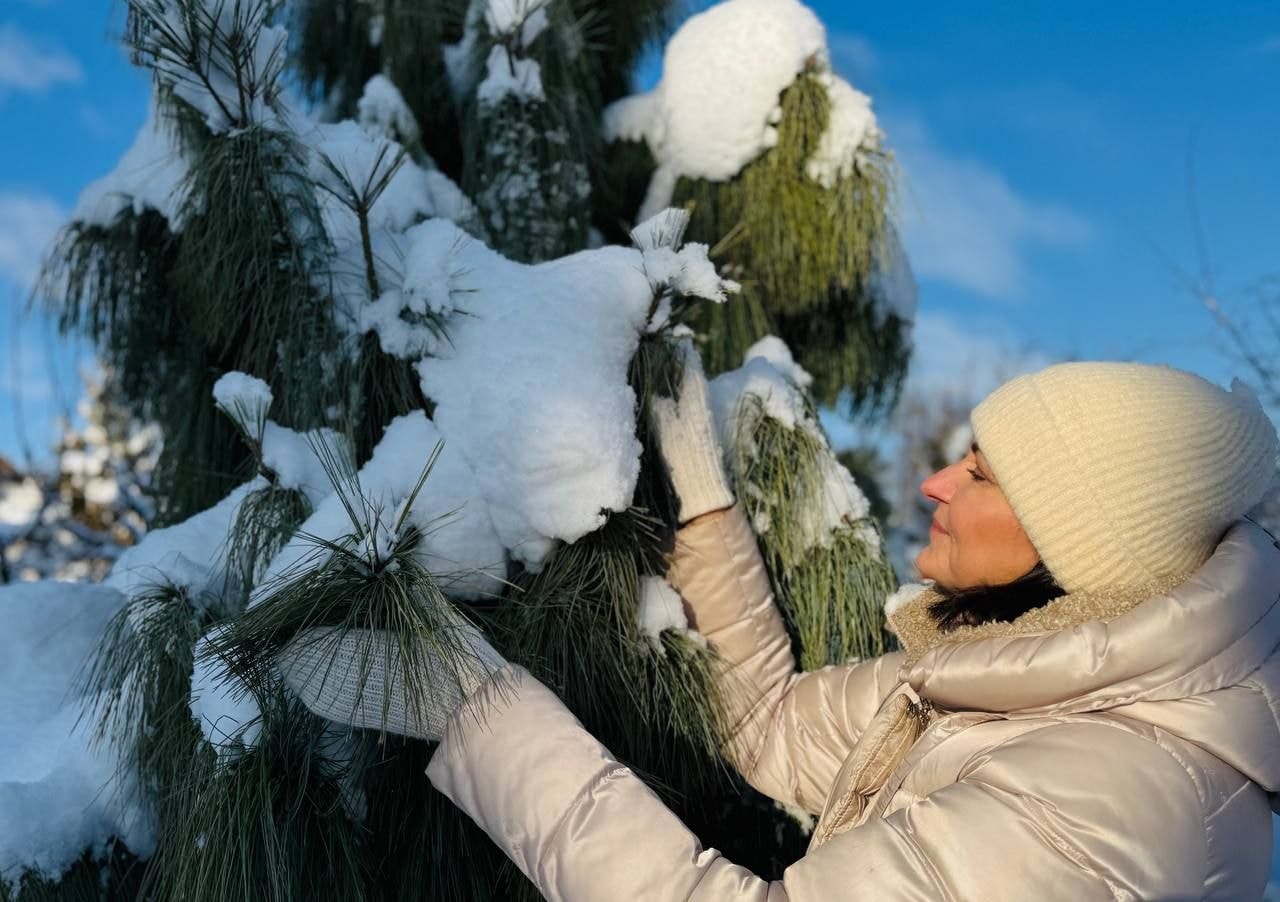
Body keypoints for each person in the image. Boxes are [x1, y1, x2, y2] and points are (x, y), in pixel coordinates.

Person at [279, 357, 1280, 900]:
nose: (935, 479)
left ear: (1076, 544)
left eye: (979, 474)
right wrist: (710, 508)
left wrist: (481, 710)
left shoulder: (1113, 793)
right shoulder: (1020, 684)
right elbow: (766, 724)